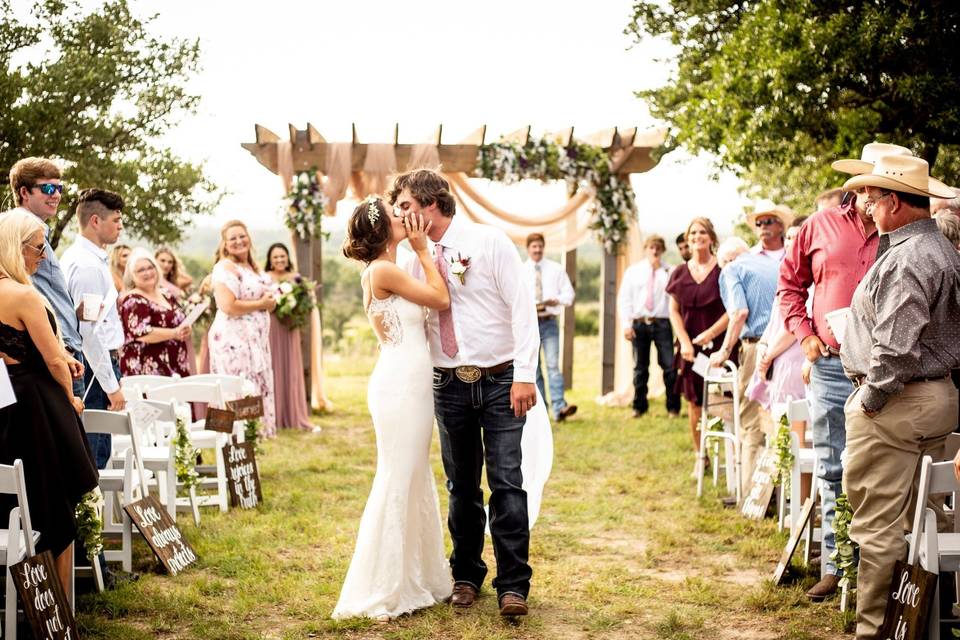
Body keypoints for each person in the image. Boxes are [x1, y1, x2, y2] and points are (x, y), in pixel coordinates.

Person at [392, 169, 543, 617]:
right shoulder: (405, 258)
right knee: (461, 486)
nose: (399, 214)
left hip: (500, 381)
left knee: (507, 484)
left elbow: (523, 310)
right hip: (446, 384)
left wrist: (525, 374)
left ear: (429, 204)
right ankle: (465, 575)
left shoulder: (489, 242)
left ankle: (513, 584)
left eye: (404, 205)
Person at [778, 141, 912, 601]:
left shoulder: (905, 232)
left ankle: (885, 576)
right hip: (833, 367)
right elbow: (789, 287)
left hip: (892, 371)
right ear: (860, 184)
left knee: (886, 471)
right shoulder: (818, 226)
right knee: (834, 467)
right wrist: (805, 335)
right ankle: (837, 566)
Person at [838, 154, 959, 639]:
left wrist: (868, 400)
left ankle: (874, 633)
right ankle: (921, 629)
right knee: (923, 527)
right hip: (933, 399)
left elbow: (895, 349)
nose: (864, 203)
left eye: (870, 194)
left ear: (892, 201)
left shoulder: (911, 256)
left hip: (896, 405)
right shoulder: (942, 249)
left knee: (878, 530)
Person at [333, 197, 453, 621]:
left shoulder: (390, 269)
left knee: (414, 474)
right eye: (396, 214)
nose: (405, 218)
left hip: (412, 383)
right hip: (400, 385)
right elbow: (440, 299)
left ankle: (415, 576)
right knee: (398, 476)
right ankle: (382, 588)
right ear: (384, 230)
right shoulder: (383, 270)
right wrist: (423, 249)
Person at [0, 209, 99, 594]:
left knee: (12, 496)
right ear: (16, 247)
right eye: (38, 249)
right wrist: (72, 398)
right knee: (55, 497)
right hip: (38, 408)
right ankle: (58, 602)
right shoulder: (23, 295)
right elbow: (55, 360)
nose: (41, 257)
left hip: (4, 406)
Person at [5, 158, 85, 400]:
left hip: (50, 354)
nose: (56, 195)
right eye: (48, 188)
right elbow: (25, 297)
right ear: (24, 192)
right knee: (70, 434)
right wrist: (60, 350)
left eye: (59, 188)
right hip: (52, 355)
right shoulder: (22, 234)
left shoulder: (30, 231)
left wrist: (72, 312)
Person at [60, 188, 127, 468]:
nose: (121, 226)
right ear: (95, 221)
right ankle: (91, 512)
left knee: (100, 449)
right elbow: (89, 333)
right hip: (93, 367)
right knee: (94, 453)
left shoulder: (92, 259)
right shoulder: (85, 265)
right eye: (116, 220)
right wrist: (110, 385)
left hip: (98, 364)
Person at [710, 237, 779, 499]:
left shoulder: (732, 269)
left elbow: (739, 313)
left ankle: (751, 494)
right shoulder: (771, 264)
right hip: (783, 346)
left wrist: (724, 351)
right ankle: (776, 490)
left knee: (750, 420)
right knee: (776, 419)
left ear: (726, 260)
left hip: (755, 346)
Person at [665, 218, 730, 464]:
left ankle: (729, 457)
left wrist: (711, 334)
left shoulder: (723, 270)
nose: (697, 236)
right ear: (687, 237)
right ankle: (700, 457)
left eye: (703, 232)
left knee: (721, 401)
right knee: (694, 403)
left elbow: (732, 310)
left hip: (719, 348)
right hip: (690, 349)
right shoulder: (679, 272)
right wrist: (684, 342)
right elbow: (674, 310)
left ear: (711, 238)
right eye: (693, 232)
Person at [208, 220, 277, 437]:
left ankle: (248, 446)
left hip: (255, 343)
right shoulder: (225, 267)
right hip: (233, 343)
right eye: (232, 238)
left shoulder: (251, 266)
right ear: (225, 245)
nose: (239, 241)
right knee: (235, 391)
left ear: (249, 238)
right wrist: (262, 304)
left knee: (250, 391)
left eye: (242, 236)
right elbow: (227, 306)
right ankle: (229, 445)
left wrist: (271, 302)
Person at [617, 234, 681, 418]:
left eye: (658, 248)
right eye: (651, 247)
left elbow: (675, 301)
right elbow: (625, 299)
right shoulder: (633, 271)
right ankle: (639, 406)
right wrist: (626, 325)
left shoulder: (670, 272)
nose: (654, 251)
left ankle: (673, 407)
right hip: (639, 323)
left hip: (661, 323)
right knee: (640, 367)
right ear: (646, 249)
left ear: (662, 250)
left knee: (669, 366)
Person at [522, 233, 577, 421]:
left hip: (549, 323)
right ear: (528, 249)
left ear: (543, 248)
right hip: (529, 326)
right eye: (533, 247)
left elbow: (569, 295)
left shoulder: (556, 269)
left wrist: (557, 300)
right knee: (534, 368)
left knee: (553, 365)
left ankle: (559, 407)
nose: (537, 250)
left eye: (540, 246)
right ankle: (541, 412)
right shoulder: (520, 271)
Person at [264, 242, 315, 431]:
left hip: (289, 326)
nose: (279, 260)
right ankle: (273, 415)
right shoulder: (264, 278)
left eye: (282, 256)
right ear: (270, 260)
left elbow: (307, 304)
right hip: (271, 326)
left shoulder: (296, 278)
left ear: (288, 258)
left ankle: (293, 414)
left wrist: (294, 308)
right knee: (272, 366)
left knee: (290, 367)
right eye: (275, 257)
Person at [117, 248, 191, 377]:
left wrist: (186, 329)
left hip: (175, 364)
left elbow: (179, 319)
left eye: (150, 267)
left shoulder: (166, 294)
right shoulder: (133, 300)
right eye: (141, 270)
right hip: (147, 369)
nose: (147, 273)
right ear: (131, 276)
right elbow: (142, 333)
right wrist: (174, 333)